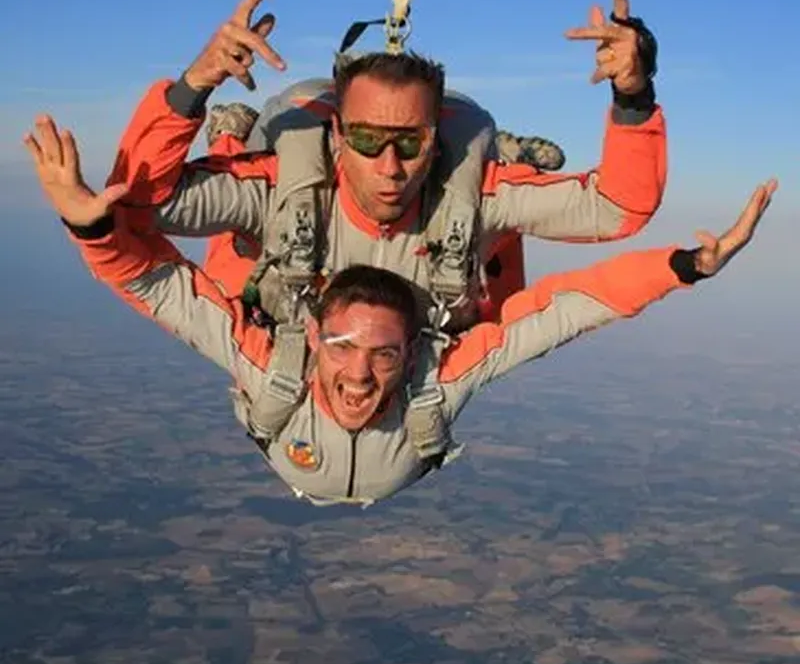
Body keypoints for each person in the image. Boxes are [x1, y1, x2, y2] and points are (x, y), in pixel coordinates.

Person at [23, 115, 776, 507]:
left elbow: (155, 286)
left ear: (409, 349)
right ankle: (476, 169)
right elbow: (564, 312)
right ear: (316, 336)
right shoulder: (424, 389)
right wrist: (685, 270)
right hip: (316, 294)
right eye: (351, 348)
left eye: (384, 355)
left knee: (262, 279)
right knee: (265, 267)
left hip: (341, 329)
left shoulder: (280, 379)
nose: (360, 376)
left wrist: (92, 227)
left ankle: (484, 172)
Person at [107, 0, 666, 335]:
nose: (391, 166)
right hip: (296, 295)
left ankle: (497, 149)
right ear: (337, 136)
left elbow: (618, 209)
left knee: (487, 249)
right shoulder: (281, 189)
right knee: (240, 237)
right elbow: (138, 203)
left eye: (412, 141)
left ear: (436, 140)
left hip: (411, 320)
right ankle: (235, 135)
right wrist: (194, 85)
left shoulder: (472, 197)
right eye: (368, 140)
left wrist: (634, 94)